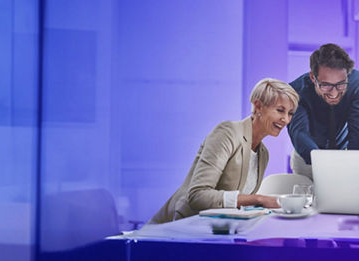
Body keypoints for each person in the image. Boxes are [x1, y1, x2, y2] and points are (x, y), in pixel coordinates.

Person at [148, 78, 299, 224]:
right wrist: (258, 199)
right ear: (258, 106)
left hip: (217, 230)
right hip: (178, 228)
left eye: (290, 113)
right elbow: (198, 195)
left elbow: (236, 204)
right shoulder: (228, 133)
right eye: (280, 110)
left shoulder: (263, 154)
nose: (285, 119)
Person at [288, 43, 359, 179]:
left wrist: (352, 165)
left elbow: (357, 131)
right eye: (326, 85)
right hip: (307, 159)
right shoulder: (295, 91)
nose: (333, 94)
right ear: (313, 77)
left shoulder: (357, 85)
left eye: (340, 85)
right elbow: (300, 134)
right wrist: (325, 165)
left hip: (344, 155)